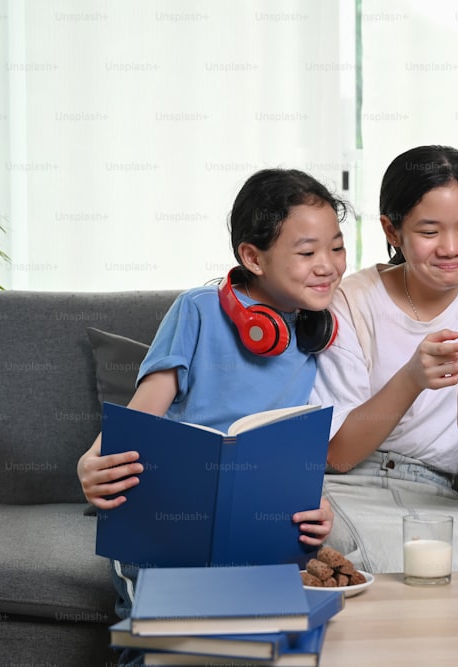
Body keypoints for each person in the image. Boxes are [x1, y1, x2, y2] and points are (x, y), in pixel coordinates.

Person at [76, 168, 347, 664]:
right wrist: (92, 462)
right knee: (170, 644)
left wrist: (316, 507)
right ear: (252, 257)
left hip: (253, 533)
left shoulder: (312, 337)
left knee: (274, 645)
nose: (327, 265)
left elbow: (291, 455)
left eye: (337, 247)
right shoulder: (198, 311)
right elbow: (142, 416)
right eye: (307, 252)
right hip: (167, 524)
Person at [310, 145, 458, 573]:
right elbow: (337, 456)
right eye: (429, 232)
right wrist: (411, 377)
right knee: (370, 550)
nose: (452, 248)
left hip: (439, 495)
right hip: (351, 487)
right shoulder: (351, 300)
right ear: (392, 231)